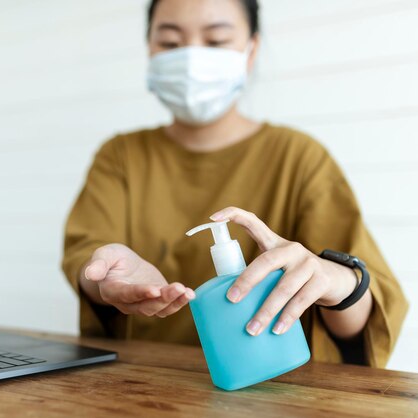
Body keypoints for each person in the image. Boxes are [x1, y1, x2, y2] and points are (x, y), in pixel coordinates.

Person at [61, 0, 408, 367]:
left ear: (251, 49)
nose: (192, 58)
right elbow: (86, 259)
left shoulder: (299, 158)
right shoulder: (120, 157)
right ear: (149, 48)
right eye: (170, 43)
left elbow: (365, 324)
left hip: (275, 387)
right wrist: (104, 277)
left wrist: (336, 283)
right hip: (147, 382)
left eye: (215, 41)